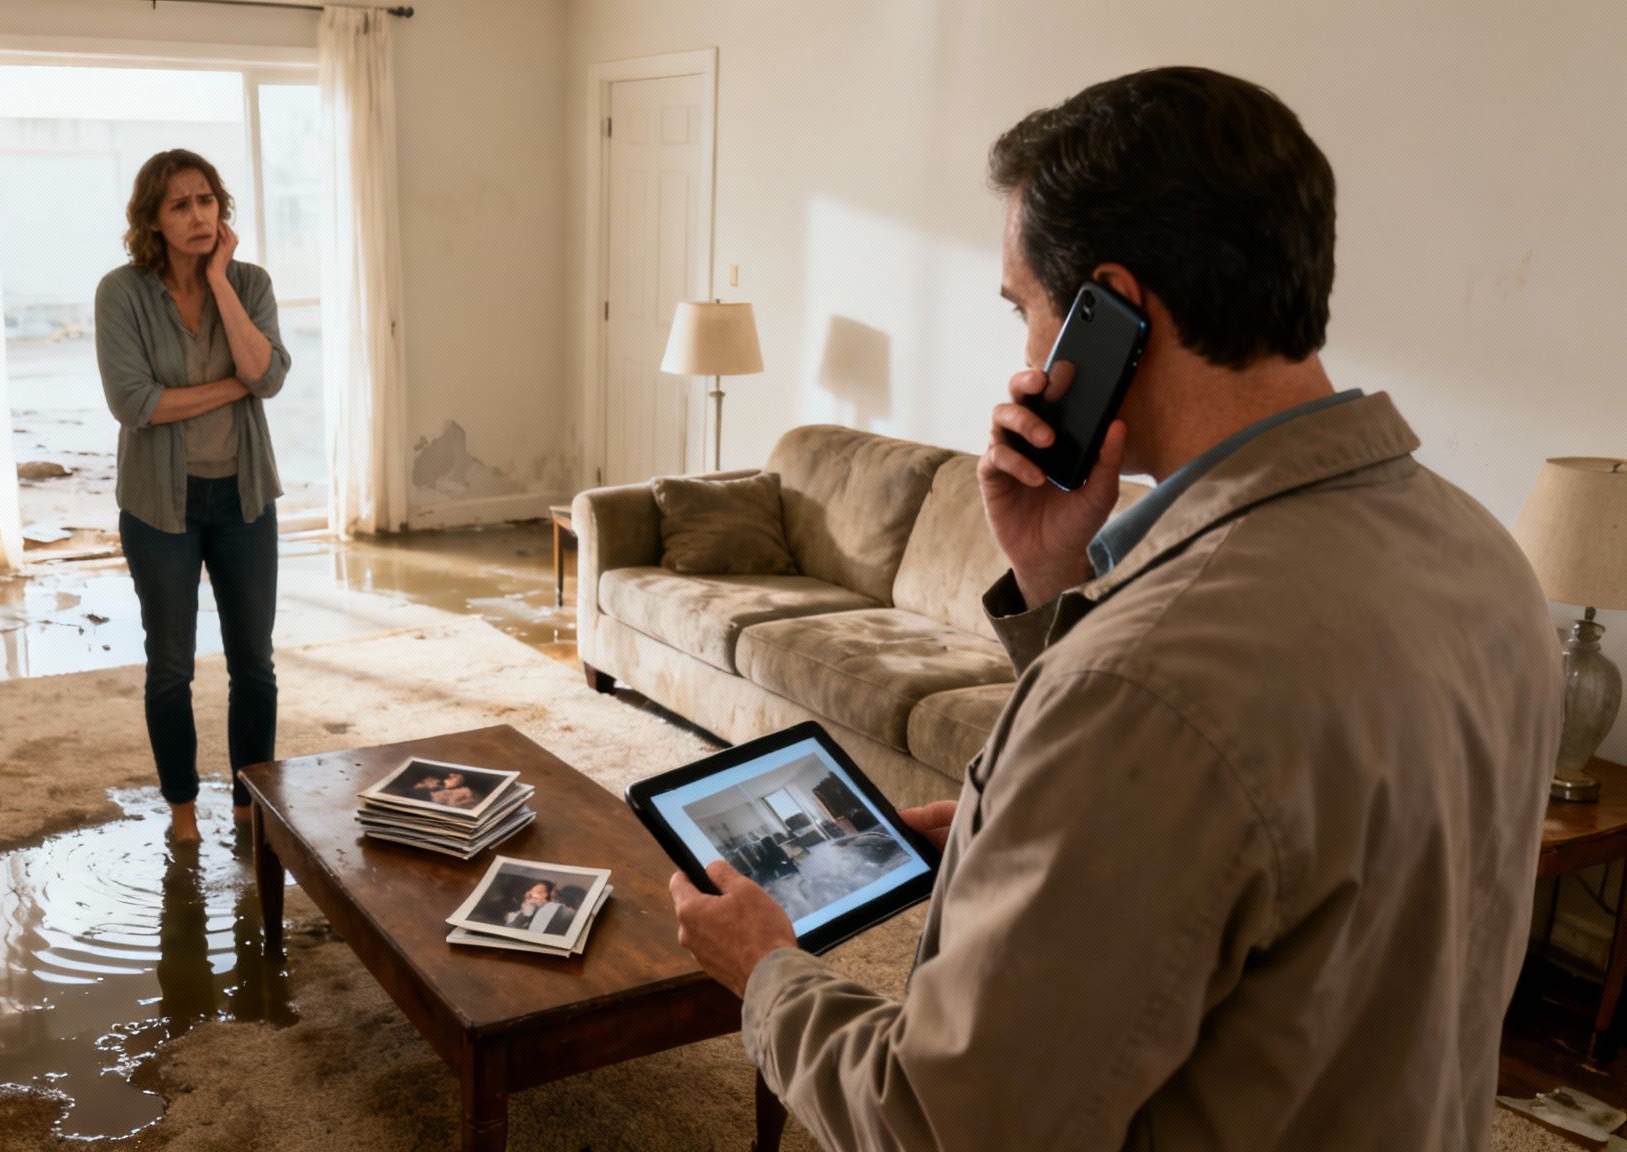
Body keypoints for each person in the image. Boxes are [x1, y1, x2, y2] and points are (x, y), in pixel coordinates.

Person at [668, 67, 1562, 1150]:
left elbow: (944, 1125)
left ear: (1110, 309)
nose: (1024, 352)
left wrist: (765, 970)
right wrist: (1052, 597)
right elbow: (1278, 857)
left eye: (1023, 310)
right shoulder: (1480, 552)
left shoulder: (1147, 685)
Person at [96, 149, 291, 844]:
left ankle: (250, 806)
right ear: (152, 219)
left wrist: (220, 283)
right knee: (171, 667)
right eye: (180, 205)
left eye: (206, 200)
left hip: (244, 501)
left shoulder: (249, 281)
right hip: (160, 509)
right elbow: (135, 403)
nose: (198, 214)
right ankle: (182, 812)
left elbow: (267, 376)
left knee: (254, 664)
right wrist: (236, 384)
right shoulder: (121, 293)